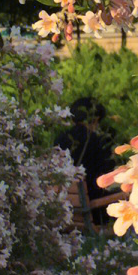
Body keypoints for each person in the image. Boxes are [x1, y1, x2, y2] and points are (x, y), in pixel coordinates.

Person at [56, 97, 117, 230]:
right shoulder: (94, 140)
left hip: (67, 208)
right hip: (92, 210)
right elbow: (101, 179)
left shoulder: (60, 139)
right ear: (95, 119)